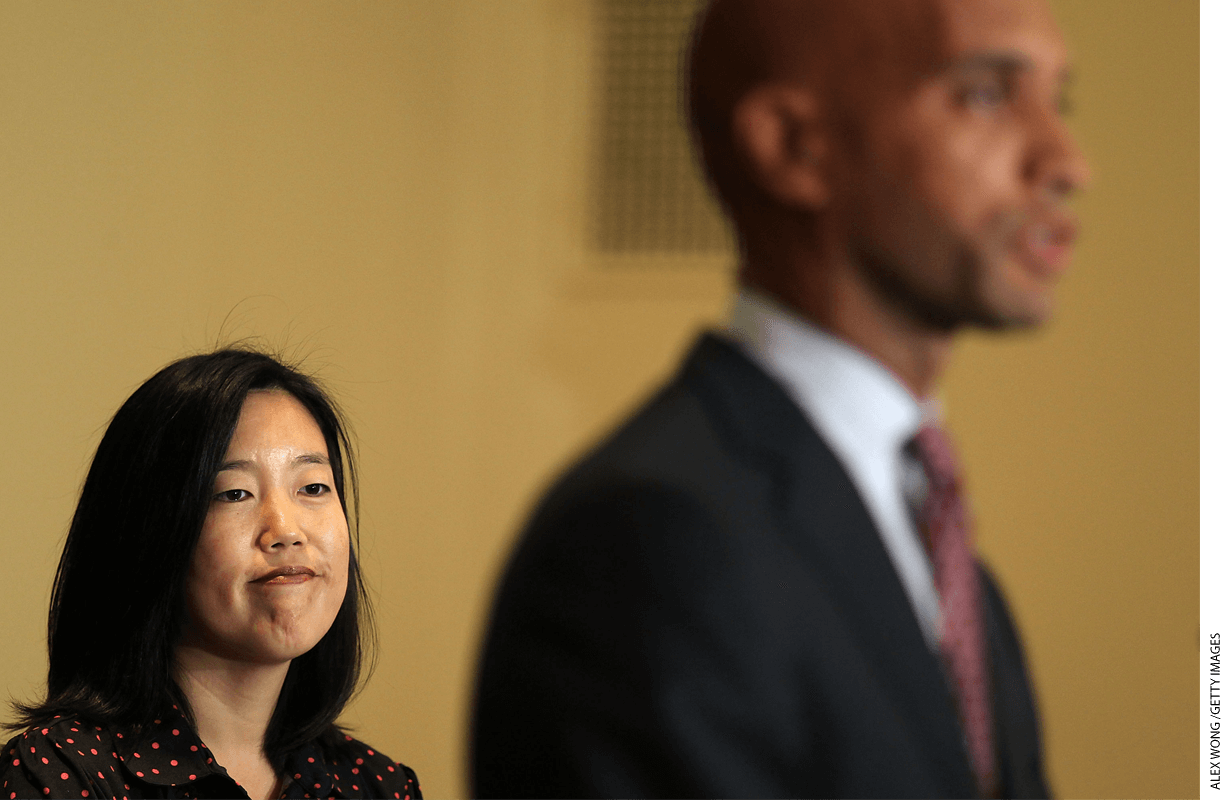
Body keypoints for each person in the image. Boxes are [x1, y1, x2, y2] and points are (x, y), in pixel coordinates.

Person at [471, 0, 1089, 796]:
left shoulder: (950, 559)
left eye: (1058, 98)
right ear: (795, 147)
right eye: (985, 94)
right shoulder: (650, 545)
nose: (1068, 162)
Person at [1, 349, 422, 800]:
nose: (285, 531)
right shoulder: (60, 775)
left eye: (313, 487)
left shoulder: (378, 786)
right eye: (234, 494)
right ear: (149, 537)